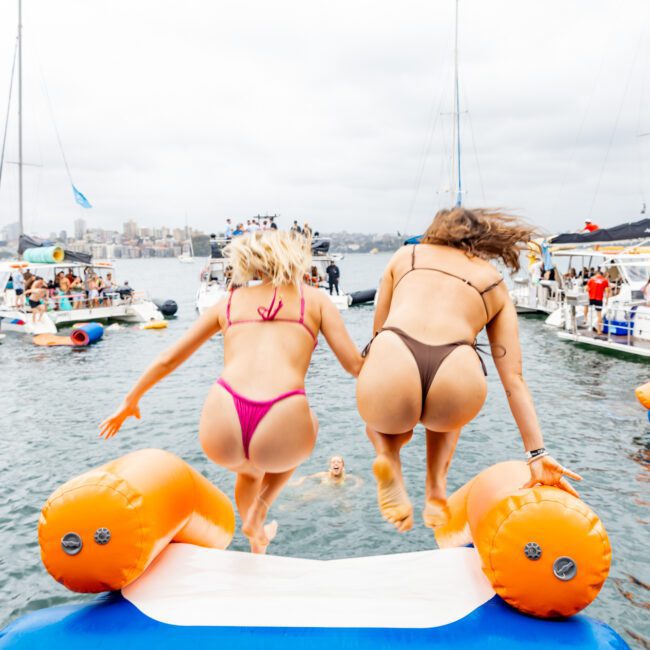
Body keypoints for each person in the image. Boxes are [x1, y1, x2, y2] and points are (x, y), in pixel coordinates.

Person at [99, 230, 363, 554]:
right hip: (281, 414)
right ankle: (261, 510)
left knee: (249, 471)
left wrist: (131, 400)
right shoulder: (316, 300)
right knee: (312, 422)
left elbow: (170, 358)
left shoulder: (229, 302)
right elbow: (355, 366)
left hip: (223, 413)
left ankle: (256, 541)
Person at [356, 208, 582, 534]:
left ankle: (388, 454)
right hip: (455, 369)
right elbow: (514, 381)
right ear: (480, 239)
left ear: (435, 230)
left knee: (385, 424)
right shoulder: (493, 281)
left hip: (395, 354)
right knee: (444, 421)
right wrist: (537, 453)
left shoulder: (407, 255)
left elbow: (378, 332)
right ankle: (436, 487)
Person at [292, 456, 363, 488]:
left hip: (338, 497)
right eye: (333, 462)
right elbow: (307, 477)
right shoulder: (323, 475)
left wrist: (354, 488)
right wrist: (299, 482)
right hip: (320, 494)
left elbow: (359, 480)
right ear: (330, 467)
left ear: (343, 466)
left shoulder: (346, 477)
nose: (336, 463)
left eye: (339, 462)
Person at [585, 269, 610, 335]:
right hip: (599, 299)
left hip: (591, 298)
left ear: (596, 274)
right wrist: (607, 300)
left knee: (585, 305)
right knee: (599, 315)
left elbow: (586, 289)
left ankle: (585, 318)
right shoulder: (605, 280)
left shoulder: (591, 279)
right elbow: (607, 292)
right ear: (602, 275)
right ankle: (599, 331)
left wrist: (590, 290)